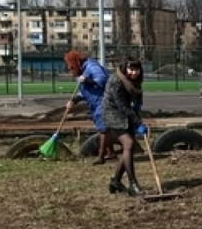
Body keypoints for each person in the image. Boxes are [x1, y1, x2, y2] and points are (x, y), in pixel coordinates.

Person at [102, 58, 148, 196]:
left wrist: (139, 108)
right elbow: (122, 106)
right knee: (129, 144)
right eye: (131, 69)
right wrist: (137, 123)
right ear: (125, 68)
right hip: (112, 114)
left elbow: (138, 94)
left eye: (136, 69)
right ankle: (132, 184)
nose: (134, 72)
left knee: (128, 148)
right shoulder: (116, 81)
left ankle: (115, 181)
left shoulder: (136, 80)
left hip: (128, 114)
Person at [63, 50, 115, 165]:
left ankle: (101, 156)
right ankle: (111, 152)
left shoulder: (91, 67)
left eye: (69, 64)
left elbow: (102, 80)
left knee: (104, 129)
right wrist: (74, 100)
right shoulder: (81, 71)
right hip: (94, 103)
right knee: (104, 128)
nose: (68, 67)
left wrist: (87, 80)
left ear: (76, 61)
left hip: (103, 101)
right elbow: (85, 92)